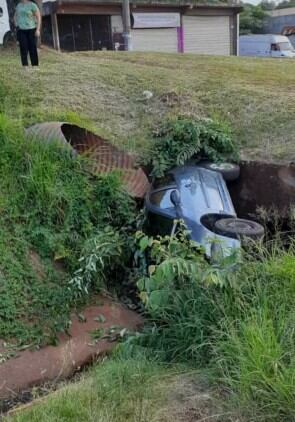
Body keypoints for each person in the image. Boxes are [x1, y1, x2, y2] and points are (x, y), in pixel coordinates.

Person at [14, 0, 41, 68]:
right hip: (21, 30)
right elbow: (15, 15)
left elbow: (38, 17)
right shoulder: (18, 5)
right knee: (23, 48)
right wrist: (16, 24)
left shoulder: (32, 5)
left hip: (31, 29)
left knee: (32, 48)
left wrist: (37, 29)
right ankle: (25, 65)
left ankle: (35, 65)